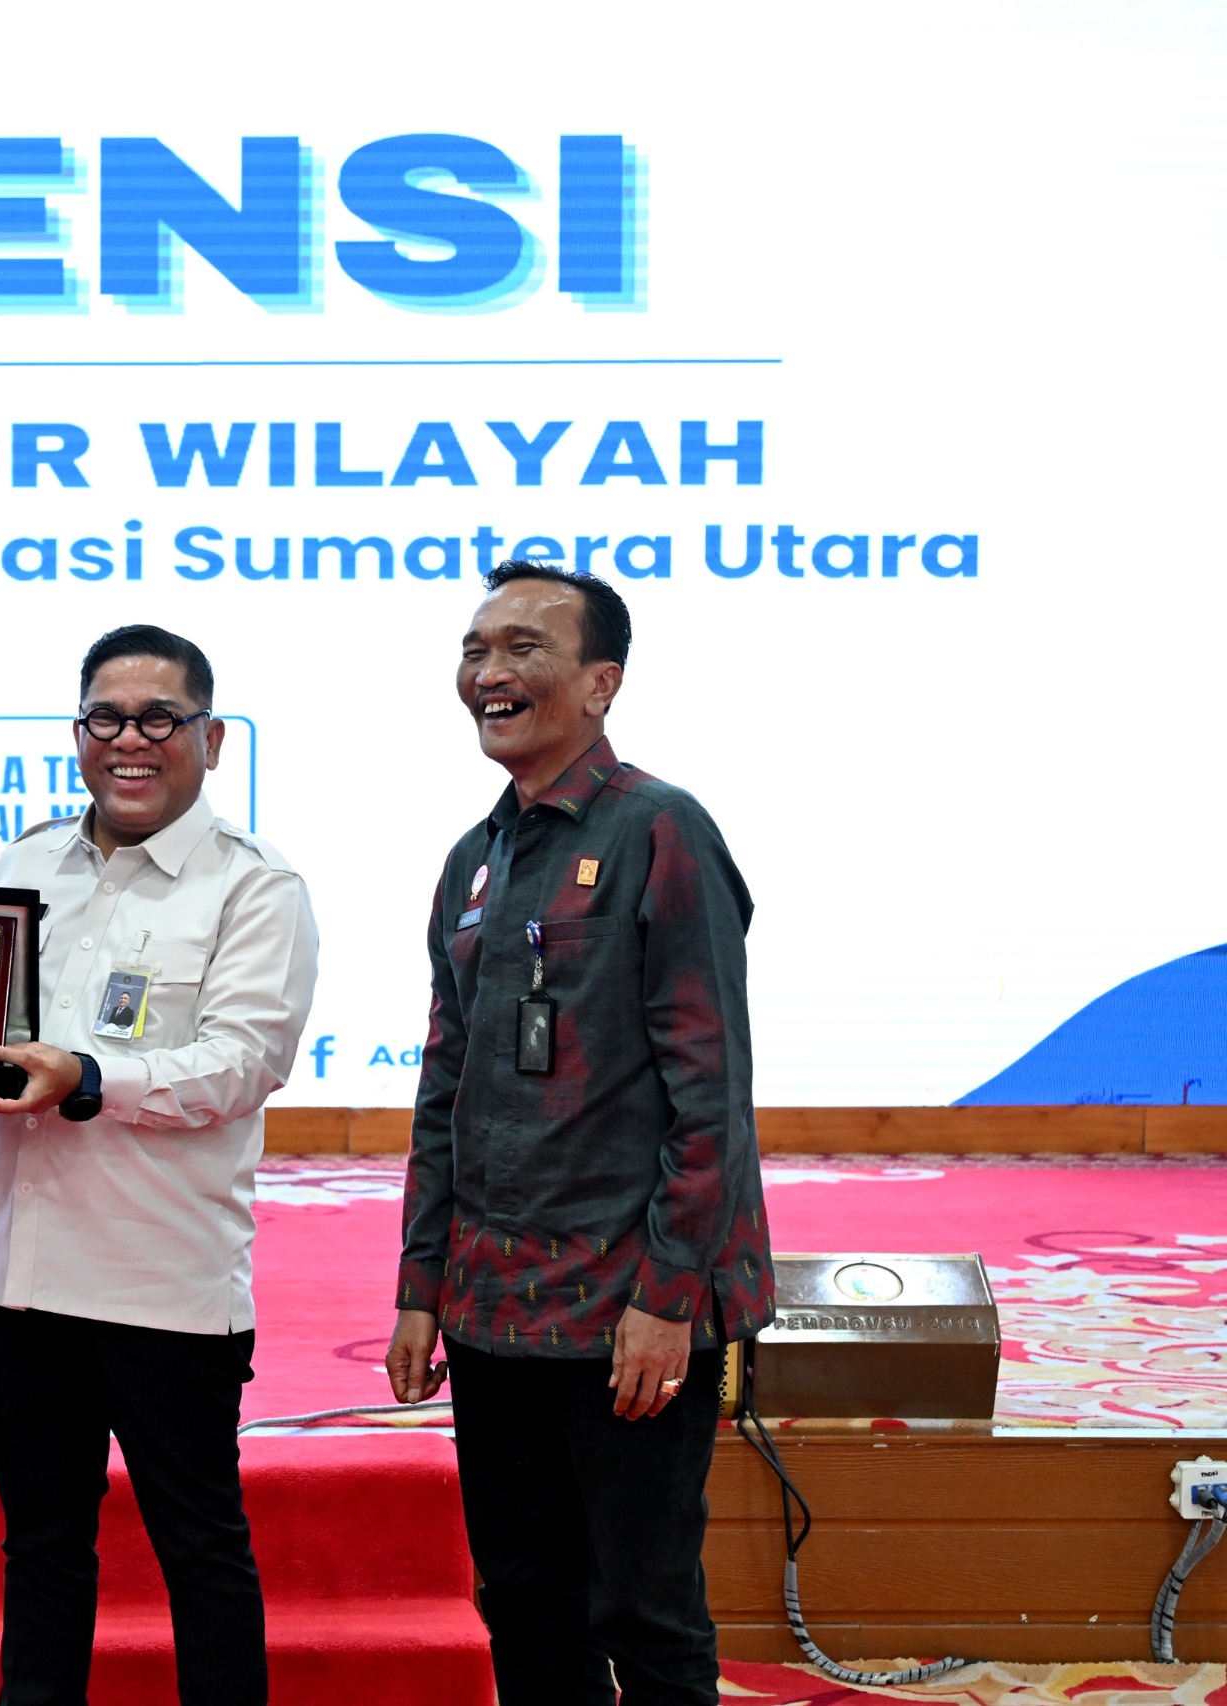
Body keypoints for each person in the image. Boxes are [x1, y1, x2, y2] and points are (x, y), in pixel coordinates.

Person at [386, 562, 775, 1706]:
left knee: (642, 1608)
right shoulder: (472, 859)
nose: (488, 672)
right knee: (521, 1597)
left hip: (627, 1306)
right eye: (474, 649)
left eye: (523, 647)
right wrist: (419, 1284)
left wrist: (667, 1297)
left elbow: (711, 1092)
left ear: (601, 682)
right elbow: (445, 1088)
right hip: (492, 1307)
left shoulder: (661, 829)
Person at [0, 624, 321, 1706]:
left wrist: (85, 1076)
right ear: (78, 733)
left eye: (160, 717)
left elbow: (241, 1063)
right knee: (42, 1548)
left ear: (210, 739)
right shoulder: (26, 863)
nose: (131, 739)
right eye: (106, 718)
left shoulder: (254, 886)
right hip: (21, 1282)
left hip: (164, 1287)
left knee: (199, 1551)